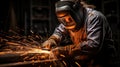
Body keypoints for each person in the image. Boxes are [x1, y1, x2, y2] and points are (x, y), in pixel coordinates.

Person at [42, 0, 118, 67]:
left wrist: (65, 50)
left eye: (69, 18)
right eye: (63, 20)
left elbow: (93, 45)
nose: (67, 22)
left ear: (77, 11)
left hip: (103, 61)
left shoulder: (94, 18)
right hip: (85, 61)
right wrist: (53, 39)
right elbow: (60, 31)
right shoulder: (67, 20)